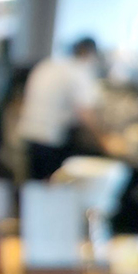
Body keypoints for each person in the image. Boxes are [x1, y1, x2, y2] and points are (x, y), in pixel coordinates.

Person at [18, 36, 102, 180]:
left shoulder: (48, 64)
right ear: (89, 53)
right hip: (50, 138)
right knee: (50, 183)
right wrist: (104, 140)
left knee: (35, 181)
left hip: (29, 131)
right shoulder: (78, 71)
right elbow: (85, 113)